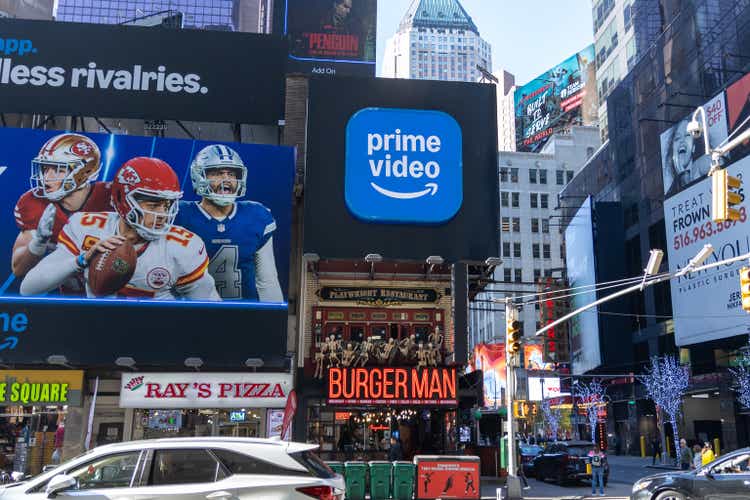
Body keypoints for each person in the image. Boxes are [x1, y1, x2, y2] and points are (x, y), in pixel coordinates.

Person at [19, 158, 219, 301]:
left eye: (167, 205)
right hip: (94, 334)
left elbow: (210, 312)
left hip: (156, 342)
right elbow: (29, 289)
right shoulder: (85, 227)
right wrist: (82, 260)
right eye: (153, 205)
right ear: (123, 200)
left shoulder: (183, 247)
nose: (162, 214)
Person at [175, 144, 282, 302]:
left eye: (232, 174)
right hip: (193, 312)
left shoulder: (256, 215)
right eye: (217, 173)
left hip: (244, 313)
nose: (226, 180)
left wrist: (272, 317)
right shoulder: (179, 215)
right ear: (199, 176)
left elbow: (267, 280)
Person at [12, 133, 111, 284]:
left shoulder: (110, 199)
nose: (46, 178)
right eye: (45, 168)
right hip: (61, 296)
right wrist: (38, 242)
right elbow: (18, 268)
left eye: (58, 170)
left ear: (84, 172)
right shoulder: (34, 203)